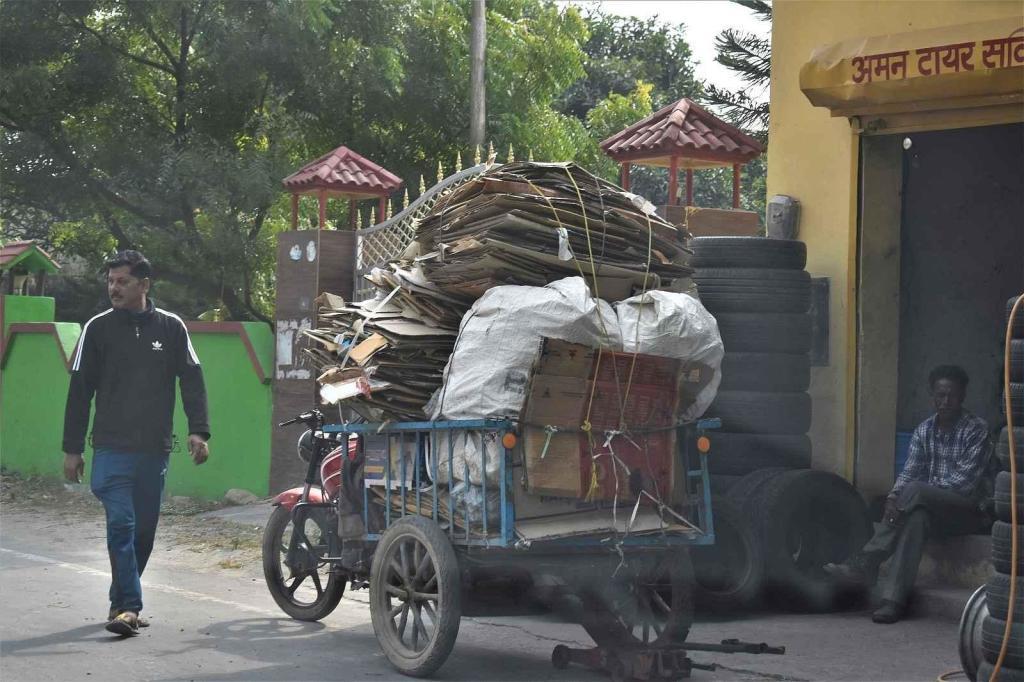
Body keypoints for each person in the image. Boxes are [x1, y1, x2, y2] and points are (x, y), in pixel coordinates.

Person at [62, 250, 211, 637]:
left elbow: (192, 379)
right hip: (110, 448)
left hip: (155, 449)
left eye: (122, 281)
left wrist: (199, 430)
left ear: (144, 285)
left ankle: (119, 601)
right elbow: (79, 391)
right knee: (122, 523)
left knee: (144, 531)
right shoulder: (97, 328)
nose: (114, 287)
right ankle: (130, 607)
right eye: (110, 281)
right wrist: (72, 448)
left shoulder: (172, 327)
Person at [825, 365, 990, 624]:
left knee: (915, 492)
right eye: (940, 395)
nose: (945, 402)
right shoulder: (924, 429)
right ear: (932, 395)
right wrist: (894, 498)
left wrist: (915, 493)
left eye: (952, 396)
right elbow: (910, 471)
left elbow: (964, 483)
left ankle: (866, 560)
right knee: (916, 519)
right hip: (930, 509)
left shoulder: (976, 430)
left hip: (968, 511)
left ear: (963, 396)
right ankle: (893, 602)